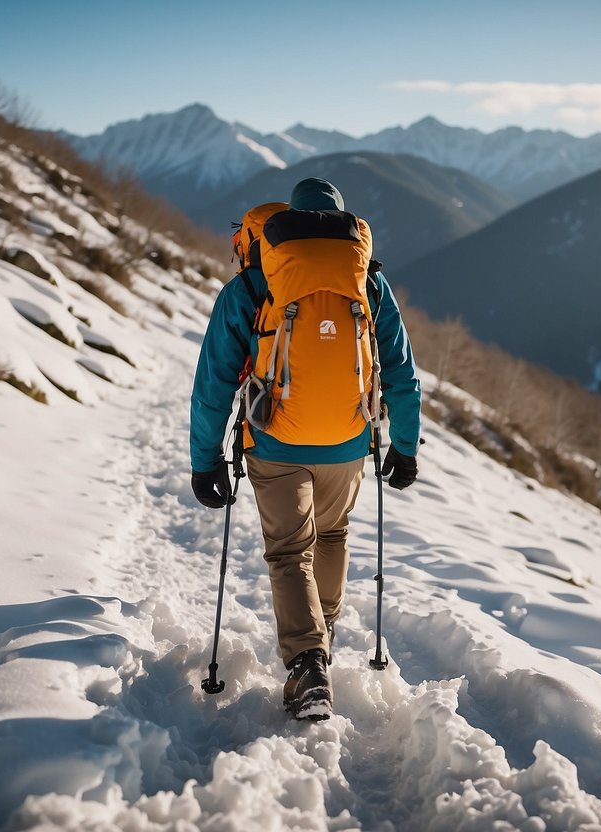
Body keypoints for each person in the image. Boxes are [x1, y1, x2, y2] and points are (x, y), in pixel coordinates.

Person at [189, 177, 421, 720]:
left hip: (273, 440)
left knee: (290, 551)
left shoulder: (253, 283)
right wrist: (404, 448)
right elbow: (404, 373)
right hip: (347, 439)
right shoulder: (368, 283)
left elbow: (214, 382)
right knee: (332, 534)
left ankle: (307, 662)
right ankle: (321, 641)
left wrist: (205, 463)